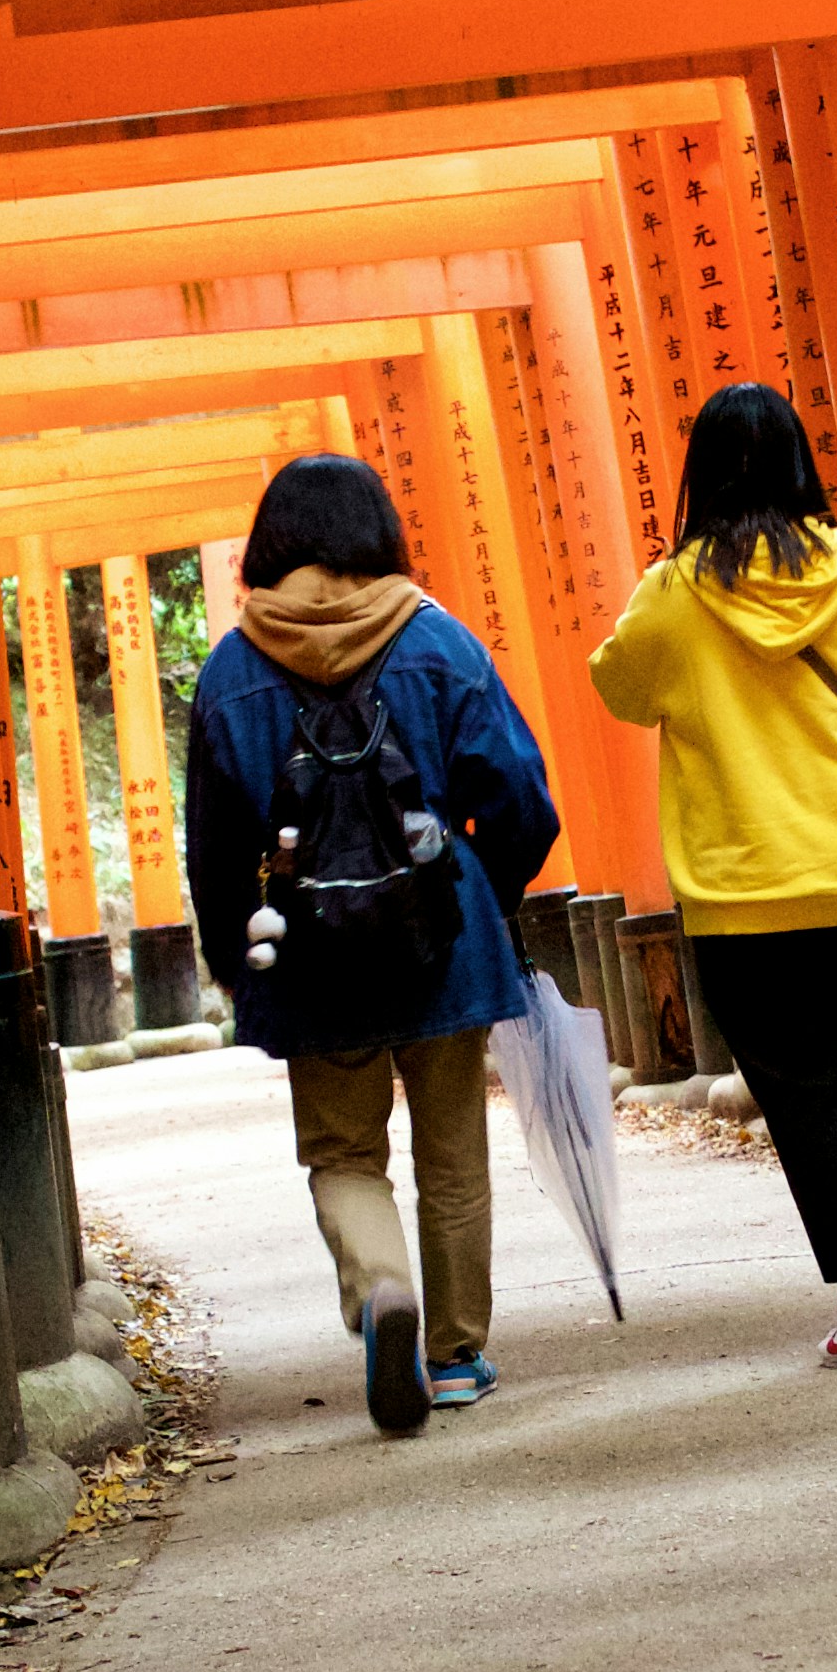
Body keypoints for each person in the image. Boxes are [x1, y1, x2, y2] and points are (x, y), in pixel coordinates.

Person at [182, 454, 560, 1436]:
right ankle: (456, 1355)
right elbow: (519, 796)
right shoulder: (437, 640)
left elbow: (215, 848)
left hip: (310, 952)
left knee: (345, 1153)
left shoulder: (231, 668)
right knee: (452, 1153)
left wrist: (238, 961)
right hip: (444, 939)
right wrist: (488, 893)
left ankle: (383, 1288)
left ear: (271, 545)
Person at [587, 381, 837, 1369]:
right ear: (800, 463)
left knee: (805, 1091)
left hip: (746, 891)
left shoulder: (675, 593)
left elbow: (617, 685)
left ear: (700, 476)